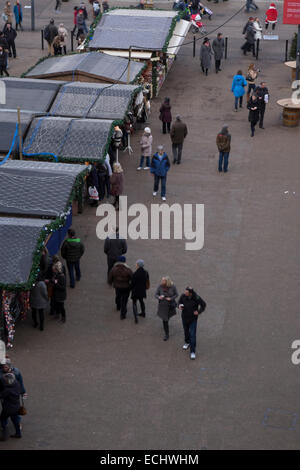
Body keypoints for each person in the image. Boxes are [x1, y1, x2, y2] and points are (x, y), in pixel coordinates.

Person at [178, 287, 206, 360]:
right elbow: (179, 302)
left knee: (192, 335)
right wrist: (179, 306)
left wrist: (199, 312)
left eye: (186, 292)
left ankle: (192, 352)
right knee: (186, 331)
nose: (185, 293)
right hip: (184, 318)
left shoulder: (196, 297)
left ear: (190, 293)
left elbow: (203, 304)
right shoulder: (183, 296)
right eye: (185, 291)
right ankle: (187, 342)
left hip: (193, 319)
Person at [108, 256, 133, 320]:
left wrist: (110, 283)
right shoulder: (128, 269)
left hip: (117, 286)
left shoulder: (114, 269)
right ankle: (123, 315)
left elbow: (110, 277)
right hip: (126, 287)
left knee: (118, 296)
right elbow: (132, 278)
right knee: (124, 301)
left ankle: (118, 306)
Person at [155, 276, 178, 341]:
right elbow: (156, 294)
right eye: (162, 280)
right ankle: (166, 334)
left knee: (168, 317)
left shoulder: (173, 286)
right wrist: (159, 297)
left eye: (163, 281)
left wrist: (171, 298)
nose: (161, 282)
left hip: (170, 305)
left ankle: (166, 325)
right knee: (165, 320)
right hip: (163, 306)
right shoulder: (160, 286)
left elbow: (176, 294)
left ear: (167, 282)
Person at [0, 373, 21, 441]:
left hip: (8, 408)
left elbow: (1, 396)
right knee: (15, 421)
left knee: (3, 419)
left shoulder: (7, 390)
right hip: (16, 407)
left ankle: (4, 434)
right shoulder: (17, 384)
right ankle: (18, 434)